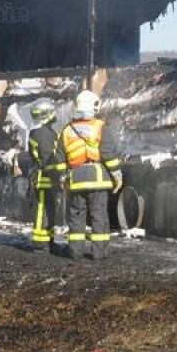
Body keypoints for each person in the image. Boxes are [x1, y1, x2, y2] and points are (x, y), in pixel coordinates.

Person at [60, 90, 123, 261]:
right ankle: (99, 253)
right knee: (99, 216)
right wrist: (117, 174)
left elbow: (60, 157)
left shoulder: (67, 130)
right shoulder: (99, 127)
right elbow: (108, 153)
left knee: (76, 216)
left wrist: (62, 179)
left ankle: (75, 252)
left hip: (76, 179)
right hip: (97, 178)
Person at [27, 98, 66, 255]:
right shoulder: (44, 134)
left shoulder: (39, 132)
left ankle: (48, 241)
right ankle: (40, 244)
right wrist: (59, 176)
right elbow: (49, 158)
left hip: (44, 177)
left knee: (49, 209)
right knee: (42, 209)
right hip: (45, 178)